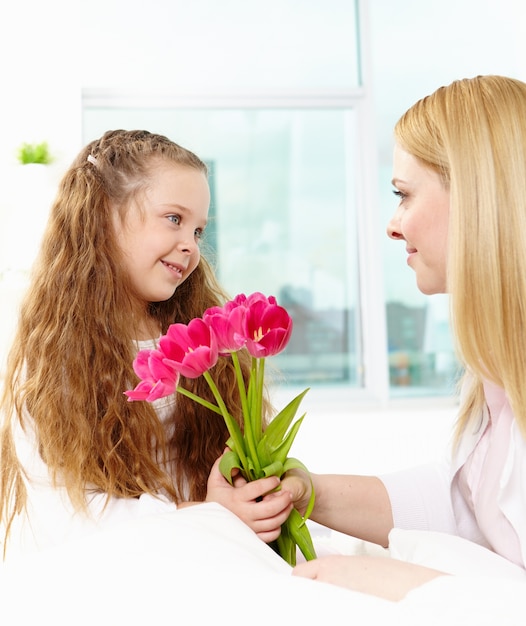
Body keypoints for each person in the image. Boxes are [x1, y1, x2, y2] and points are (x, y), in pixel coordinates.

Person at [281, 75, 526, 600]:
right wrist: (305, 493)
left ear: (478, 197)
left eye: (404, 195)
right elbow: (463, 504)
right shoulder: (499, 378)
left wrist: (402, 582)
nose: (393, 226)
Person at [0, 129, 293, 558]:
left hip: (209, 553)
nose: (190, 246)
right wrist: (211, 515)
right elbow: (76, 515)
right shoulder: (52, 359)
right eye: (174, 219)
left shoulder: (202, 337)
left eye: (198, 230)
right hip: (125, 563)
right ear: (103, 214)